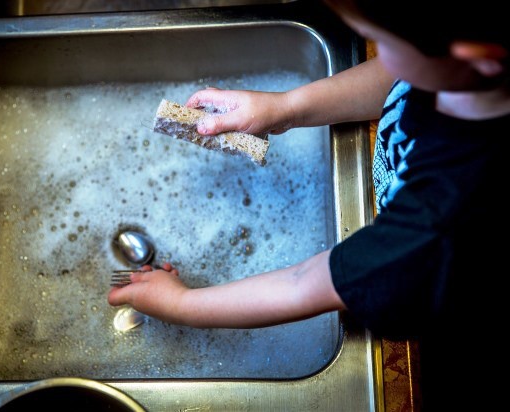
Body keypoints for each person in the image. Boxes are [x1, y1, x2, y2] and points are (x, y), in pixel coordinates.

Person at [109, 0, 509, 409]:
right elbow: (398, 80)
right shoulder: (464, 75)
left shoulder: (441, 224)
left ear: (478, 58)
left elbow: (305, 283)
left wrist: (181, 304)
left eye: (381, 43)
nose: (377, 54)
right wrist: (286, 108)